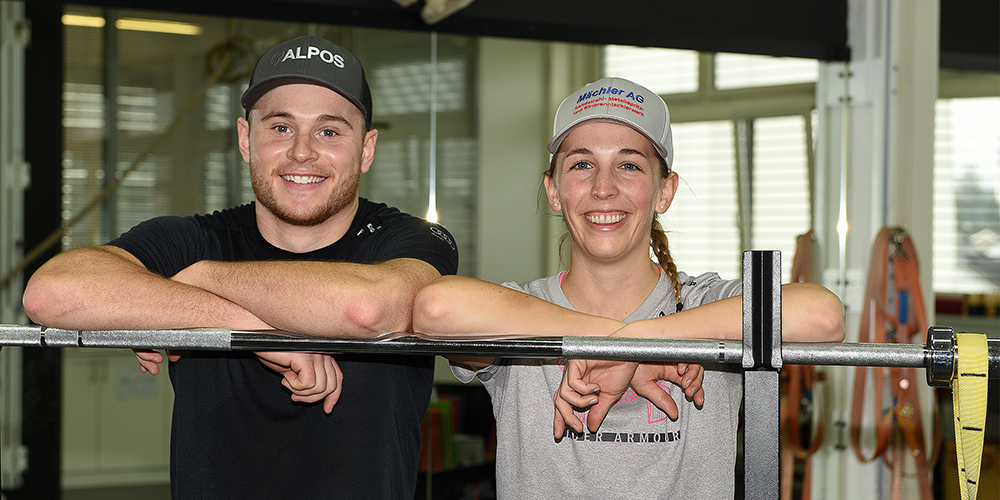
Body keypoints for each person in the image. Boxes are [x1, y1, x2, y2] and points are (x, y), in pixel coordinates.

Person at [23, 35, 459, 499]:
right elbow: (50, 294)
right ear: (246, 139)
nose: (302, 152)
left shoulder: (410, 241)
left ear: (366, 149)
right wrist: (251, 331)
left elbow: (370, 310)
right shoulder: (194, 238)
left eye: (329, 132)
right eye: (281, 127)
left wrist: (198, 281)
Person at [412, 77, 845, 499]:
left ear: (665, 192)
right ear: (554, 190)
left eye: (629, 165)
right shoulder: (521, 311)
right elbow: (435, 308)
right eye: (582, 165)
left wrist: (640, 342)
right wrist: (617, 345)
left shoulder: (702, 305)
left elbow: (822, 315)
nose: (603, 188)